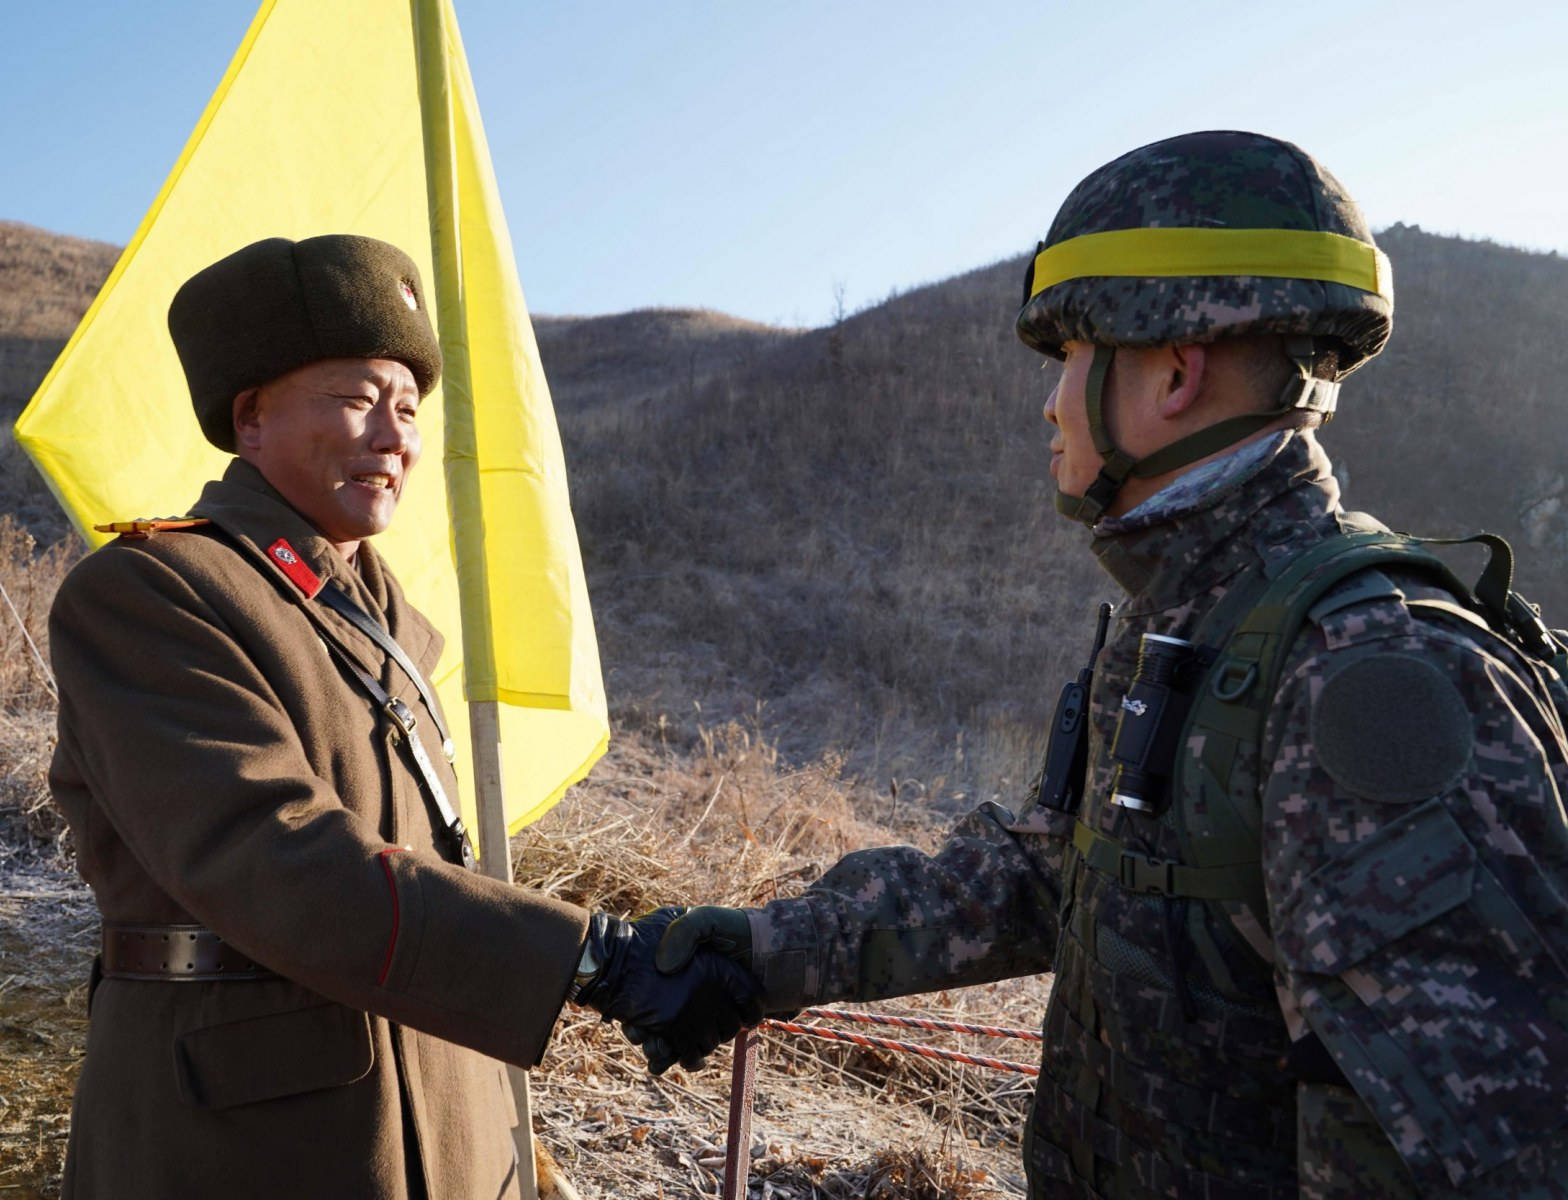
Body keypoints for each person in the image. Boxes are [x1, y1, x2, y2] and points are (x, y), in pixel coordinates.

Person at [642, 132, 1568, 1197]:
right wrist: (760, 954)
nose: (1048, 403)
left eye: (1071, 360)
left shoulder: (1370, 674)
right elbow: (1051, 876)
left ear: (1173, 371)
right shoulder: (1196, 622)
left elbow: (1473, 1155)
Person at [47, 234, 761, 1200]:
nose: (396, 436)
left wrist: (515, 1156)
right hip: (250, 1143)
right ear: (249, 417)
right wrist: (592, 959)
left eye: (410, 408)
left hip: (442, 1118)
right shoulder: (149, 594)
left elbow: (425, 878)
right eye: (355, 398)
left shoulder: (389, 626)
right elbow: (275, 856)